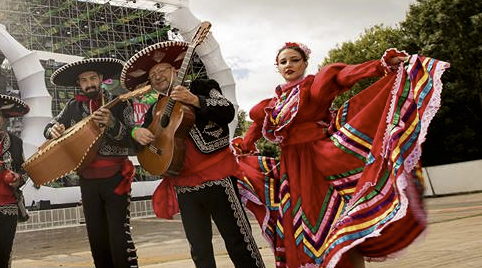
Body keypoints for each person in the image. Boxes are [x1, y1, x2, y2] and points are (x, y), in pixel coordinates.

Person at [231, 42, 450, 268]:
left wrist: (380, 65)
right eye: (283, 62)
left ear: (305, 63)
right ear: (277, 67)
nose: (289, 65)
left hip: (321, 160)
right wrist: (244, 147)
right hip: (291, 169)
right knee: (299, 225)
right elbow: (256, 127)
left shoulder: (314, 86)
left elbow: (343, 76)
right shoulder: (273, 105)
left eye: (295, 60)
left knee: (338, 222)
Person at [121, 41, 265, 268]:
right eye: (152, 75)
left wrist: (195, 100)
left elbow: (226, 111)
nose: (158, 76)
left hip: (219, 178)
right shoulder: (155, 109)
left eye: (162, 70)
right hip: (184, 185)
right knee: (199, 250)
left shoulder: (201, 86)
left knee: (238, 242)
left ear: (175, 71)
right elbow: (139, 145)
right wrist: (135, 132)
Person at [44, 58, 138, 268]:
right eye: (84, 80)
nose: (89, 84)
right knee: (96, 237)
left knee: (118, 236)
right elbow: (50, 124)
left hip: (116, 179)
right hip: (87, 181)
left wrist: (113, 124)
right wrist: (53, 130)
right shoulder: (72, 106)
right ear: (79, 84)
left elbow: (134, 139)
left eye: (92, 78)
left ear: (101, 79)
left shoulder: (120, 102)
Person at [0, 94, 30, 268]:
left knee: (4, 253)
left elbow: (25, 170)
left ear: (3, 119)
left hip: (9, 207)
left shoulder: (16, 143)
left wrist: (18, 179)